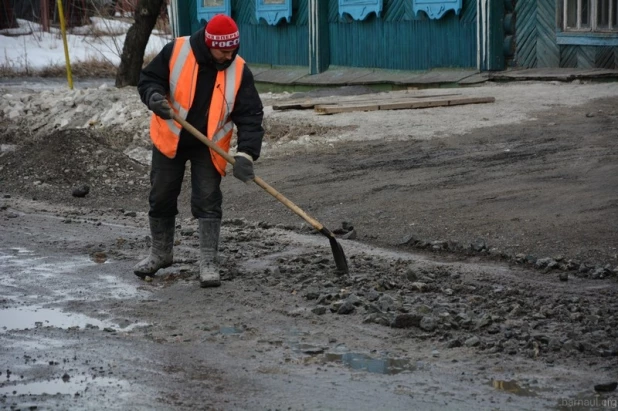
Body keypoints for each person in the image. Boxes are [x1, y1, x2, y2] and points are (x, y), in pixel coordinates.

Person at [135, 14, 264, 288]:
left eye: (233, 49)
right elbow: (148, 80)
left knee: (207, 199)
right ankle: (160, 253)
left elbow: (251, 115)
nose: (229, 55)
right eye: (223, 50)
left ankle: (208, 260)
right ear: (209, 43)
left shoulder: (239, 70)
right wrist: (154, 98)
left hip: (210, 145)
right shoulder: (177, 51)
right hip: (171, 137)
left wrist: (246, 154)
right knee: (161, 195)